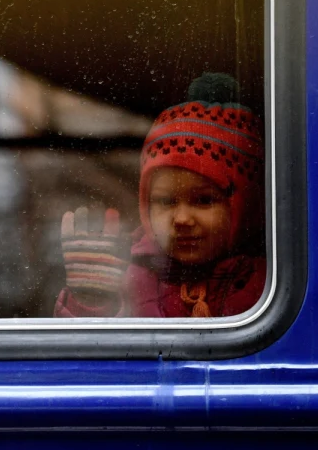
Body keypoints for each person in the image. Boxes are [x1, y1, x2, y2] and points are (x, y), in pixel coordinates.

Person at [53, 73, 265, 318]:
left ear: (245, 203)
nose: (182, 219)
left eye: (204, 200)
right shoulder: (129, 278)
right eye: (165, 201)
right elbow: (95, 351)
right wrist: (91, 300)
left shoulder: (276, 285)